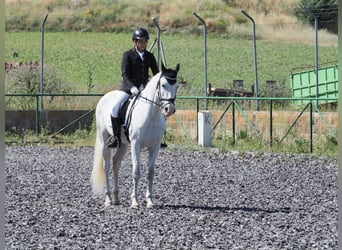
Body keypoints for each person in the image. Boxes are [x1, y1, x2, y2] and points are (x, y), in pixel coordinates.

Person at [106, 27, 159, 148]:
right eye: (141, 41)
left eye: (145, 41)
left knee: (158, 109)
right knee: (114, 109)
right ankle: (116, 138)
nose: (143, 43)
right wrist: (132, 87)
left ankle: (159, 137)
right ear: (135, 41)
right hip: (128, 88)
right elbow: (124, 74)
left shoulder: (150, 56)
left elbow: (156, 74)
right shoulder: (127, 55)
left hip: (144, 90)